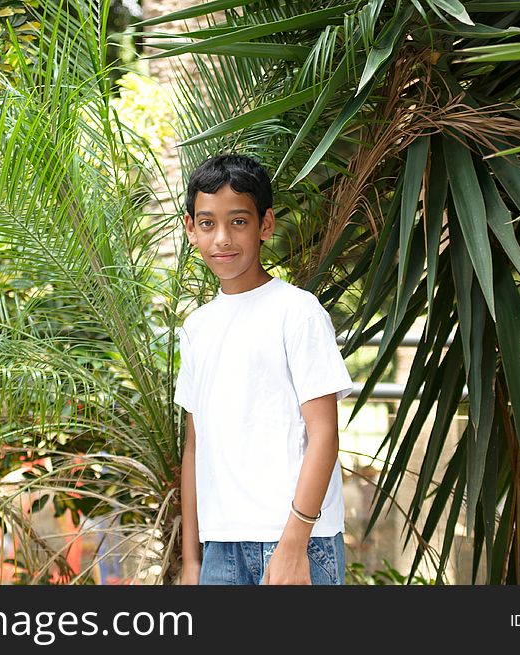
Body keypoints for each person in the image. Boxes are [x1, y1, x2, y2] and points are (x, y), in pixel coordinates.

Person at [174, 154, 353, 585]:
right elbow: (194, 449)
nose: (222, 238)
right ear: (190, 229)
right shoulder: (197, 328)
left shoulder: (297, 312)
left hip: (300, 541)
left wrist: (293, 545)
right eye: (207, 223)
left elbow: (324, 433)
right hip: (220, 549)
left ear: (265, 225)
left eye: (238, 221)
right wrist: (192, 561)